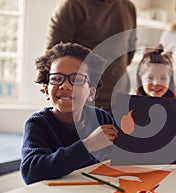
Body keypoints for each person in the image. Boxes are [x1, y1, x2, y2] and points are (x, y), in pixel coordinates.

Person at [20, 43, 118, 185]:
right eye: (57, 78)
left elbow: (123, 156)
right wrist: (88, 145)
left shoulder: (101, 118)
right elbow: (31, 172)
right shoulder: (38, 124)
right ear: (47, 90)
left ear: (91, 92)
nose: (65, 85)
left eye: (77, 79)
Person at [45, 0, 137, 114]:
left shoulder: (128, 7)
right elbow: (54, 57)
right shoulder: (72, 6)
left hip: (119, 101)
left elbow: (130, 49)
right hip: (81, 104)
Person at [135, 44, 176, 139]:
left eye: (163, 78)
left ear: (170, 80)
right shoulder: (130, 108)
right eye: (150, 77)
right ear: (141, 79)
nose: (157, 83)